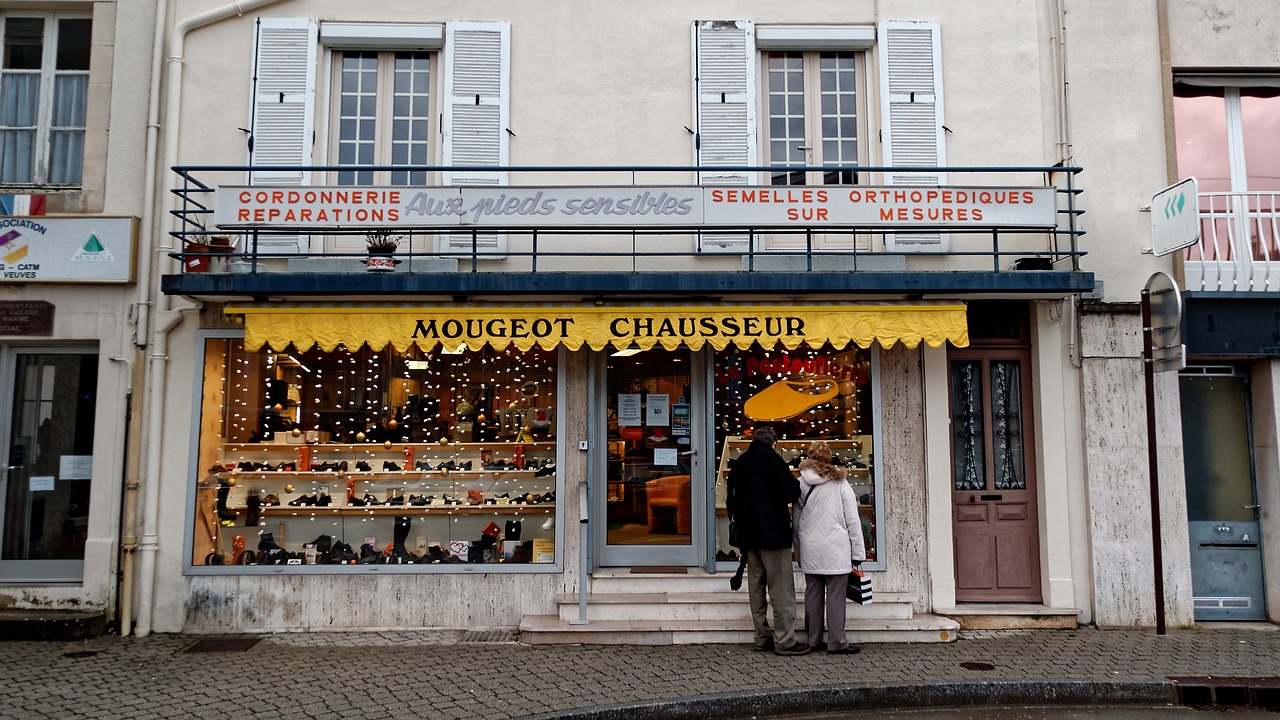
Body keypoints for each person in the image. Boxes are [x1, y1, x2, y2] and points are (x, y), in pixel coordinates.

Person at [727, 425, 809, 656]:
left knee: (756, 589)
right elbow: (793, 491)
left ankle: (761, 637)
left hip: (749, 537)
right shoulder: (773, 461)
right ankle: (784, 641)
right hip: (773, 535)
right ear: (773, 443)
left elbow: (731, 499)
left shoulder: (740, 463)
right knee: (781, 589)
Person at [793, 440, 866, 654]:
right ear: (828, 458)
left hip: (810, 547)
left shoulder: (800, 483)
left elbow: (795, 523)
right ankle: (836, 642)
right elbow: (852, 519)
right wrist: (858, 552)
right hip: (836, 547)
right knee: (835, 597)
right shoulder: (840, 482)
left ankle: (813, 640)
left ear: (808, 457)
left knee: (813, 595)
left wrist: (797, 551)